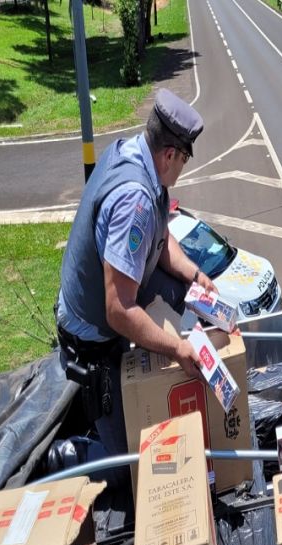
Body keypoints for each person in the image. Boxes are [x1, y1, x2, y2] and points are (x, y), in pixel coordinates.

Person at [56, 88, 217, 458]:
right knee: (127, 460)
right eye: (185, 160)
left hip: (110, 293)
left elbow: (161, 239)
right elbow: (118, 310)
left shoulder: (136, 157)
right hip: (91, 335)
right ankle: (64, 454)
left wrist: (194, 277)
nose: (184, 168)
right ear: (170, 154)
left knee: (182, 296)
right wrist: (177, 349)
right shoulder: (136, 202)